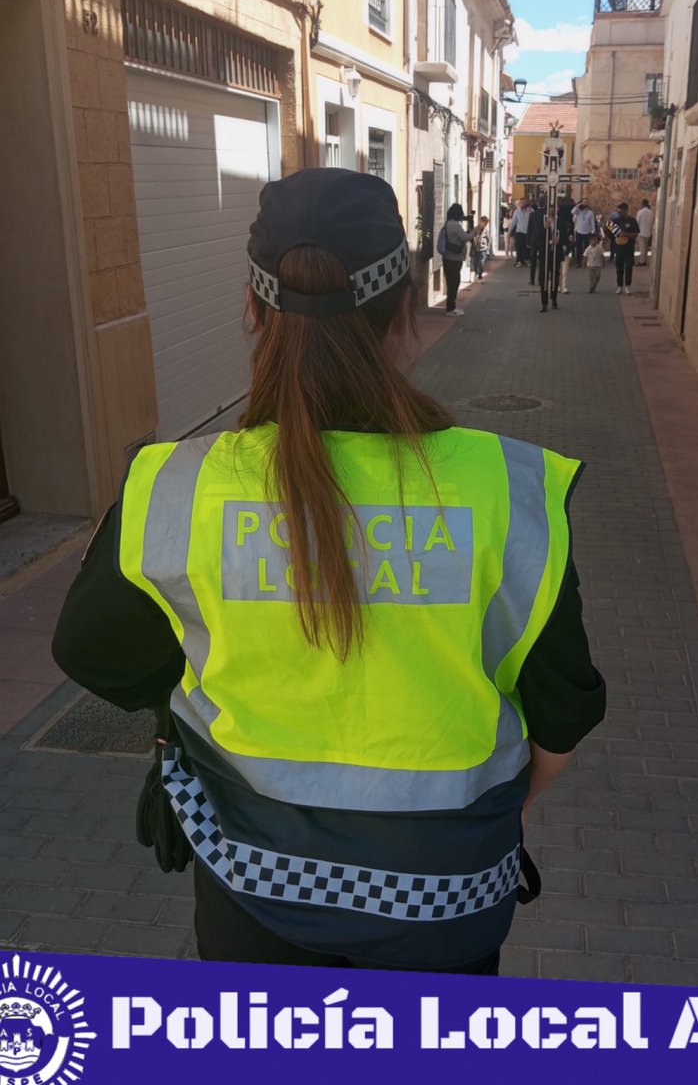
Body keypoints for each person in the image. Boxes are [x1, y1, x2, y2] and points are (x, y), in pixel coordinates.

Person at [51, 168, 605, 975]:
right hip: (445, 909)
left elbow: (91, 649)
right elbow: (561, 715)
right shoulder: (507, 489)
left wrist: (191, 702)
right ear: (404, 304)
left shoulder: (174, 486)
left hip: (251, 894)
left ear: (252, 308)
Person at [440, 202, 473, 315]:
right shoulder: (455, 225)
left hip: (449, 258)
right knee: (454, 283)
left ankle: (452, 307)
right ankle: (450, 308)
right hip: (454, 258)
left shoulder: (448, 223)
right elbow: (465, 238)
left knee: (452, 282)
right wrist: (473, 231)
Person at [606, 202, 640, 295]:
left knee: (629, 266)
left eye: (621, 212)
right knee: (619, 267)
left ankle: (627, 286)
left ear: (626, 211)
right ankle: (619, 286)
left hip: (629, 247)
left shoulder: (632, 221)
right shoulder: (616, 221)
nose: (619, 214)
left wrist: (625, 234)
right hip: (618, 247)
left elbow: (635, 234)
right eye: (618, 212)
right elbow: (609, 232)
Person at [572, 200, 596, 266]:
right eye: (584, 202)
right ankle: (578, 262)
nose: (585, 203)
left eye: (586, 202)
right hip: (579, 231)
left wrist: (593, 231)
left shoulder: (590, 213)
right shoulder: (578, 211)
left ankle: (586, 261)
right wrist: (579, 205)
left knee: (587, 248)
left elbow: (592, 222)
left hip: (587, 232)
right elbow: (572, 211)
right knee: (579, 248)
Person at [509, 197, 531, 267]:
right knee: (519, 247)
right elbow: (513, 222)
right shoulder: (516, 212)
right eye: (521, 203)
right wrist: (509, 231)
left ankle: (527, 260)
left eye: (524, 202)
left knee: (527, 247)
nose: (522, 204)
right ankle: (519, 261)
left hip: (528, 232)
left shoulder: (530, 211)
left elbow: (533, 221)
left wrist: (529, 212)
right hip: (519, 232)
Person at [470, 215, 490, 279]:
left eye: (485, 222)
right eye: (483, 222)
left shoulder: (486, 230)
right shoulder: (475, 229)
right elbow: (472, 237)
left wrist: (488, 248)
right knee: (475, 262)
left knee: (481, 262)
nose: (484, 223)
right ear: (480, 221)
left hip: (483, 248)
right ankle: (476, 274)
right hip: (475, 248)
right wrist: (474, 239)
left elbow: (488, 239)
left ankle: (480, 274)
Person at [637, 199, 654, 264]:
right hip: (648, 232)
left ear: (642, 204)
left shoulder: (640, 212)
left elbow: (637, 222)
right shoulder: (651, 212)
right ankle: (645, 260)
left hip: (641, 232)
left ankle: (642, 261)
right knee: (646, 248)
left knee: (642, 248)